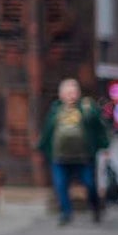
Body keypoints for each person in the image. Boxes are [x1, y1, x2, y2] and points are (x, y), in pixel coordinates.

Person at [37, 78, 111, 226]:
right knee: (60, 185)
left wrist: (105, 146)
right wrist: (42, 149)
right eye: (67, 92)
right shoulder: (55, 110)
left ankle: (95, 207)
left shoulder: (87, 107)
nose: (71, 95)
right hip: (60, 157)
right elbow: (47, 131)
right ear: (61, 94)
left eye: (73, 91)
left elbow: (99, 127)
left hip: (83, 157)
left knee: (90, 184)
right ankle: (66, 213)